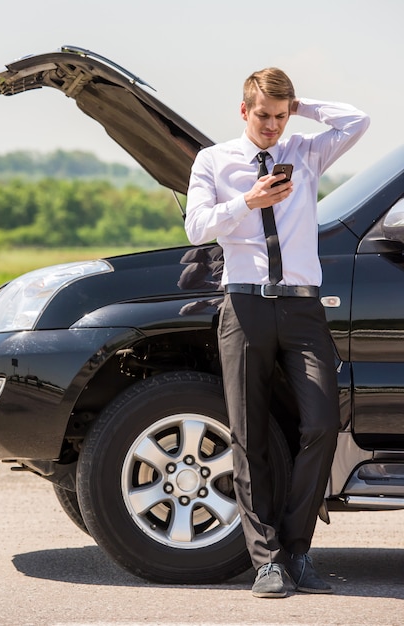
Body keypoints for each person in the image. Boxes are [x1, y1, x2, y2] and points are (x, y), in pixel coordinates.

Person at [185, 67, 370, 598]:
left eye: (279, 115)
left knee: (320, 423)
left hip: (303, 310)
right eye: (262, 114)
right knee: (249, 434)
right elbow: (196, 228)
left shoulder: (307, 152)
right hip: (244, 307)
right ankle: (266, 561)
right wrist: (248, 202)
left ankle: (298, 549)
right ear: (243, 112)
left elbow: (359, 121)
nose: (270, 125)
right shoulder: (214, 161)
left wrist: (297, 104)